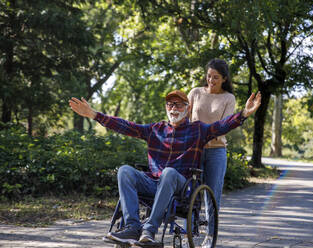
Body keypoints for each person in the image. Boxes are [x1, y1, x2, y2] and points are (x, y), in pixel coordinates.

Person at [68, 89, 261, 246]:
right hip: (154, 183)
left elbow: (222, 125)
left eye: (178, 104)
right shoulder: (155, 129)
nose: (173, 108)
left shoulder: (198, 130)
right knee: (125, 170)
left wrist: (244, 113)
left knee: (168, 172)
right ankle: (133, 228)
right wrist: (94, 114)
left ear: (188, 107)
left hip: (181, 186)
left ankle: (149, 230)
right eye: (170, 104)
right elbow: (125, 126)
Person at [187, 58, 236, 247]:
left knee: (212, 195)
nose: (211, 80)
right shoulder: (195, 93)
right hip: (195, 150)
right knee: (190, 193)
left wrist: (204, 133)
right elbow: (185, 119)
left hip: (216, 152)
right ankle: (189, 233)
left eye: (216, 77)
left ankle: (210, 236)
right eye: (209, 76)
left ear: (224, 78)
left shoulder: (228, 98)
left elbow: (224, 126)